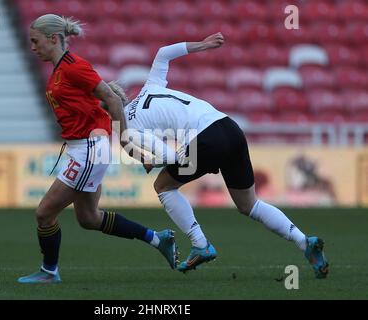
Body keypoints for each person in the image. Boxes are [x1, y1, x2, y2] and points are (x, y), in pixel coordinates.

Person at [106, 32, 329, 278]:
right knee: (249, 204)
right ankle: (304, 242)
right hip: (229, 127)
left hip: (206, 139)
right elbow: (163, 54)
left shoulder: (129, 125)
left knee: (164, 186)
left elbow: (168, 156)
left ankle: (200, 244)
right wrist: (203, 44)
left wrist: (156, 160)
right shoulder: (150, 87)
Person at [17, 14, 178, 284]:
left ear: (53, 39)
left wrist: (127, 143)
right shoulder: (61, 69)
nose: (33, 47)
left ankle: (49, 272)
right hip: (86, 147)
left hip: (89, 149)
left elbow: (113, 100)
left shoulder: (73, 66)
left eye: (36, 41)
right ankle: (157, 238)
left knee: (44, 213)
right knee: (89, 218)